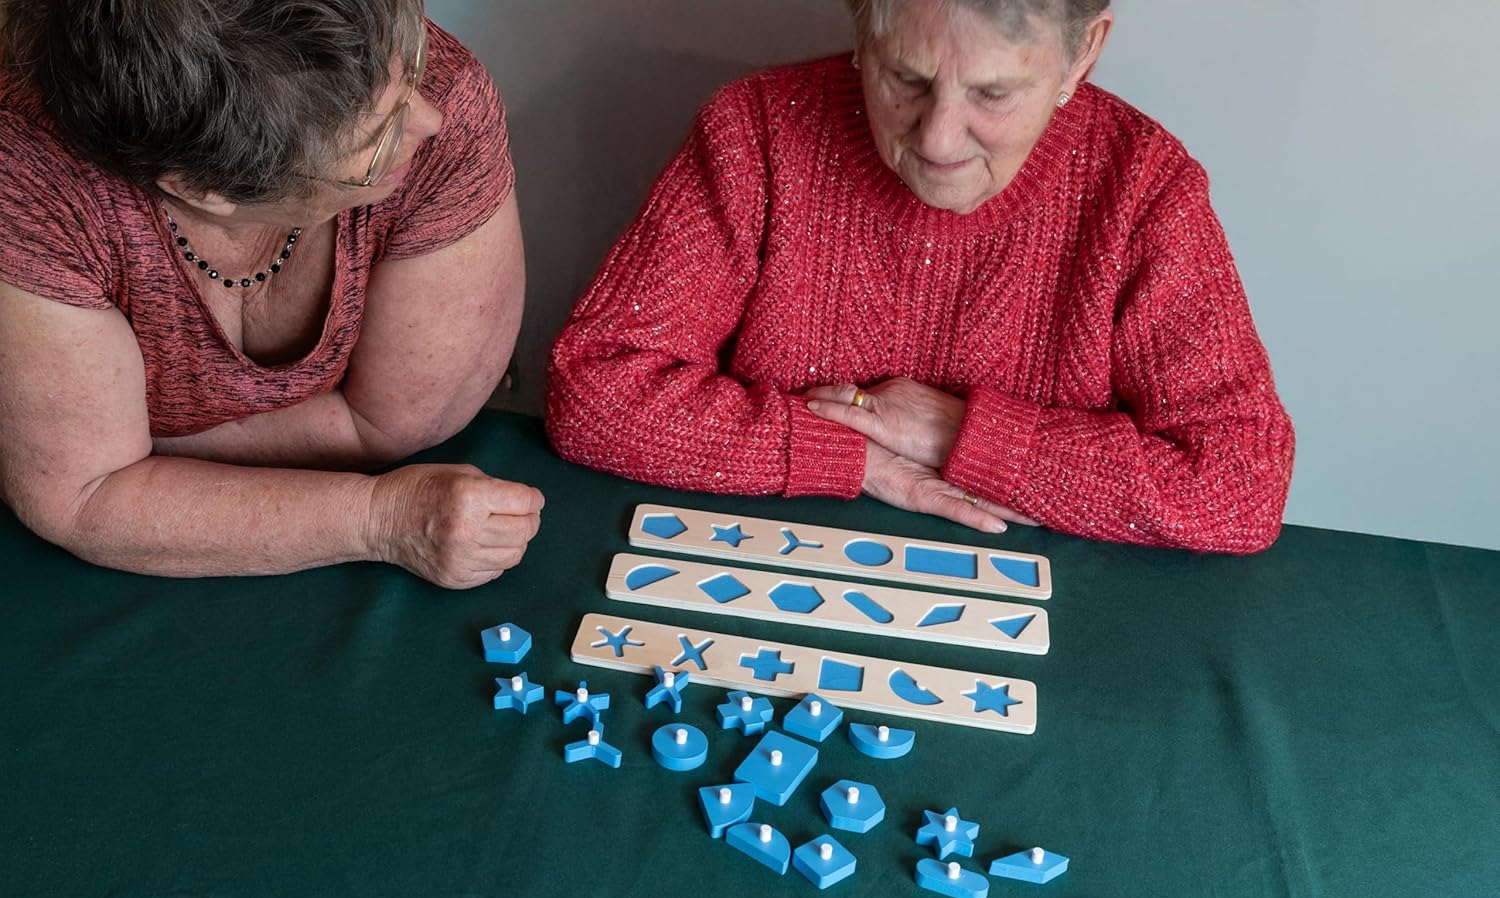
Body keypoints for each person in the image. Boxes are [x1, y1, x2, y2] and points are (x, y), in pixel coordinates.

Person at [546, 0, 1294, 554]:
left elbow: (1242, 483)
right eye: (904, 77)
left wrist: (958, 432)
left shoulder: (1141, 188)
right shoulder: (755, 133)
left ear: (1082, 55)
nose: (937, 138)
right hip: (773, 573)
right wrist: (854, 455)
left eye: (992, 93)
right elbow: (592, 390)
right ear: (860, 24)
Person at [0, 0, 541, 588]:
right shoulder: (24, 177)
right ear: (205, 189)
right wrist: (382, 519)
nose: (428, 120)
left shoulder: (437, 96)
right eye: (379, 142)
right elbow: (82, 498)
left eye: (407, 67)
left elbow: (393, 424)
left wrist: (129, 455)